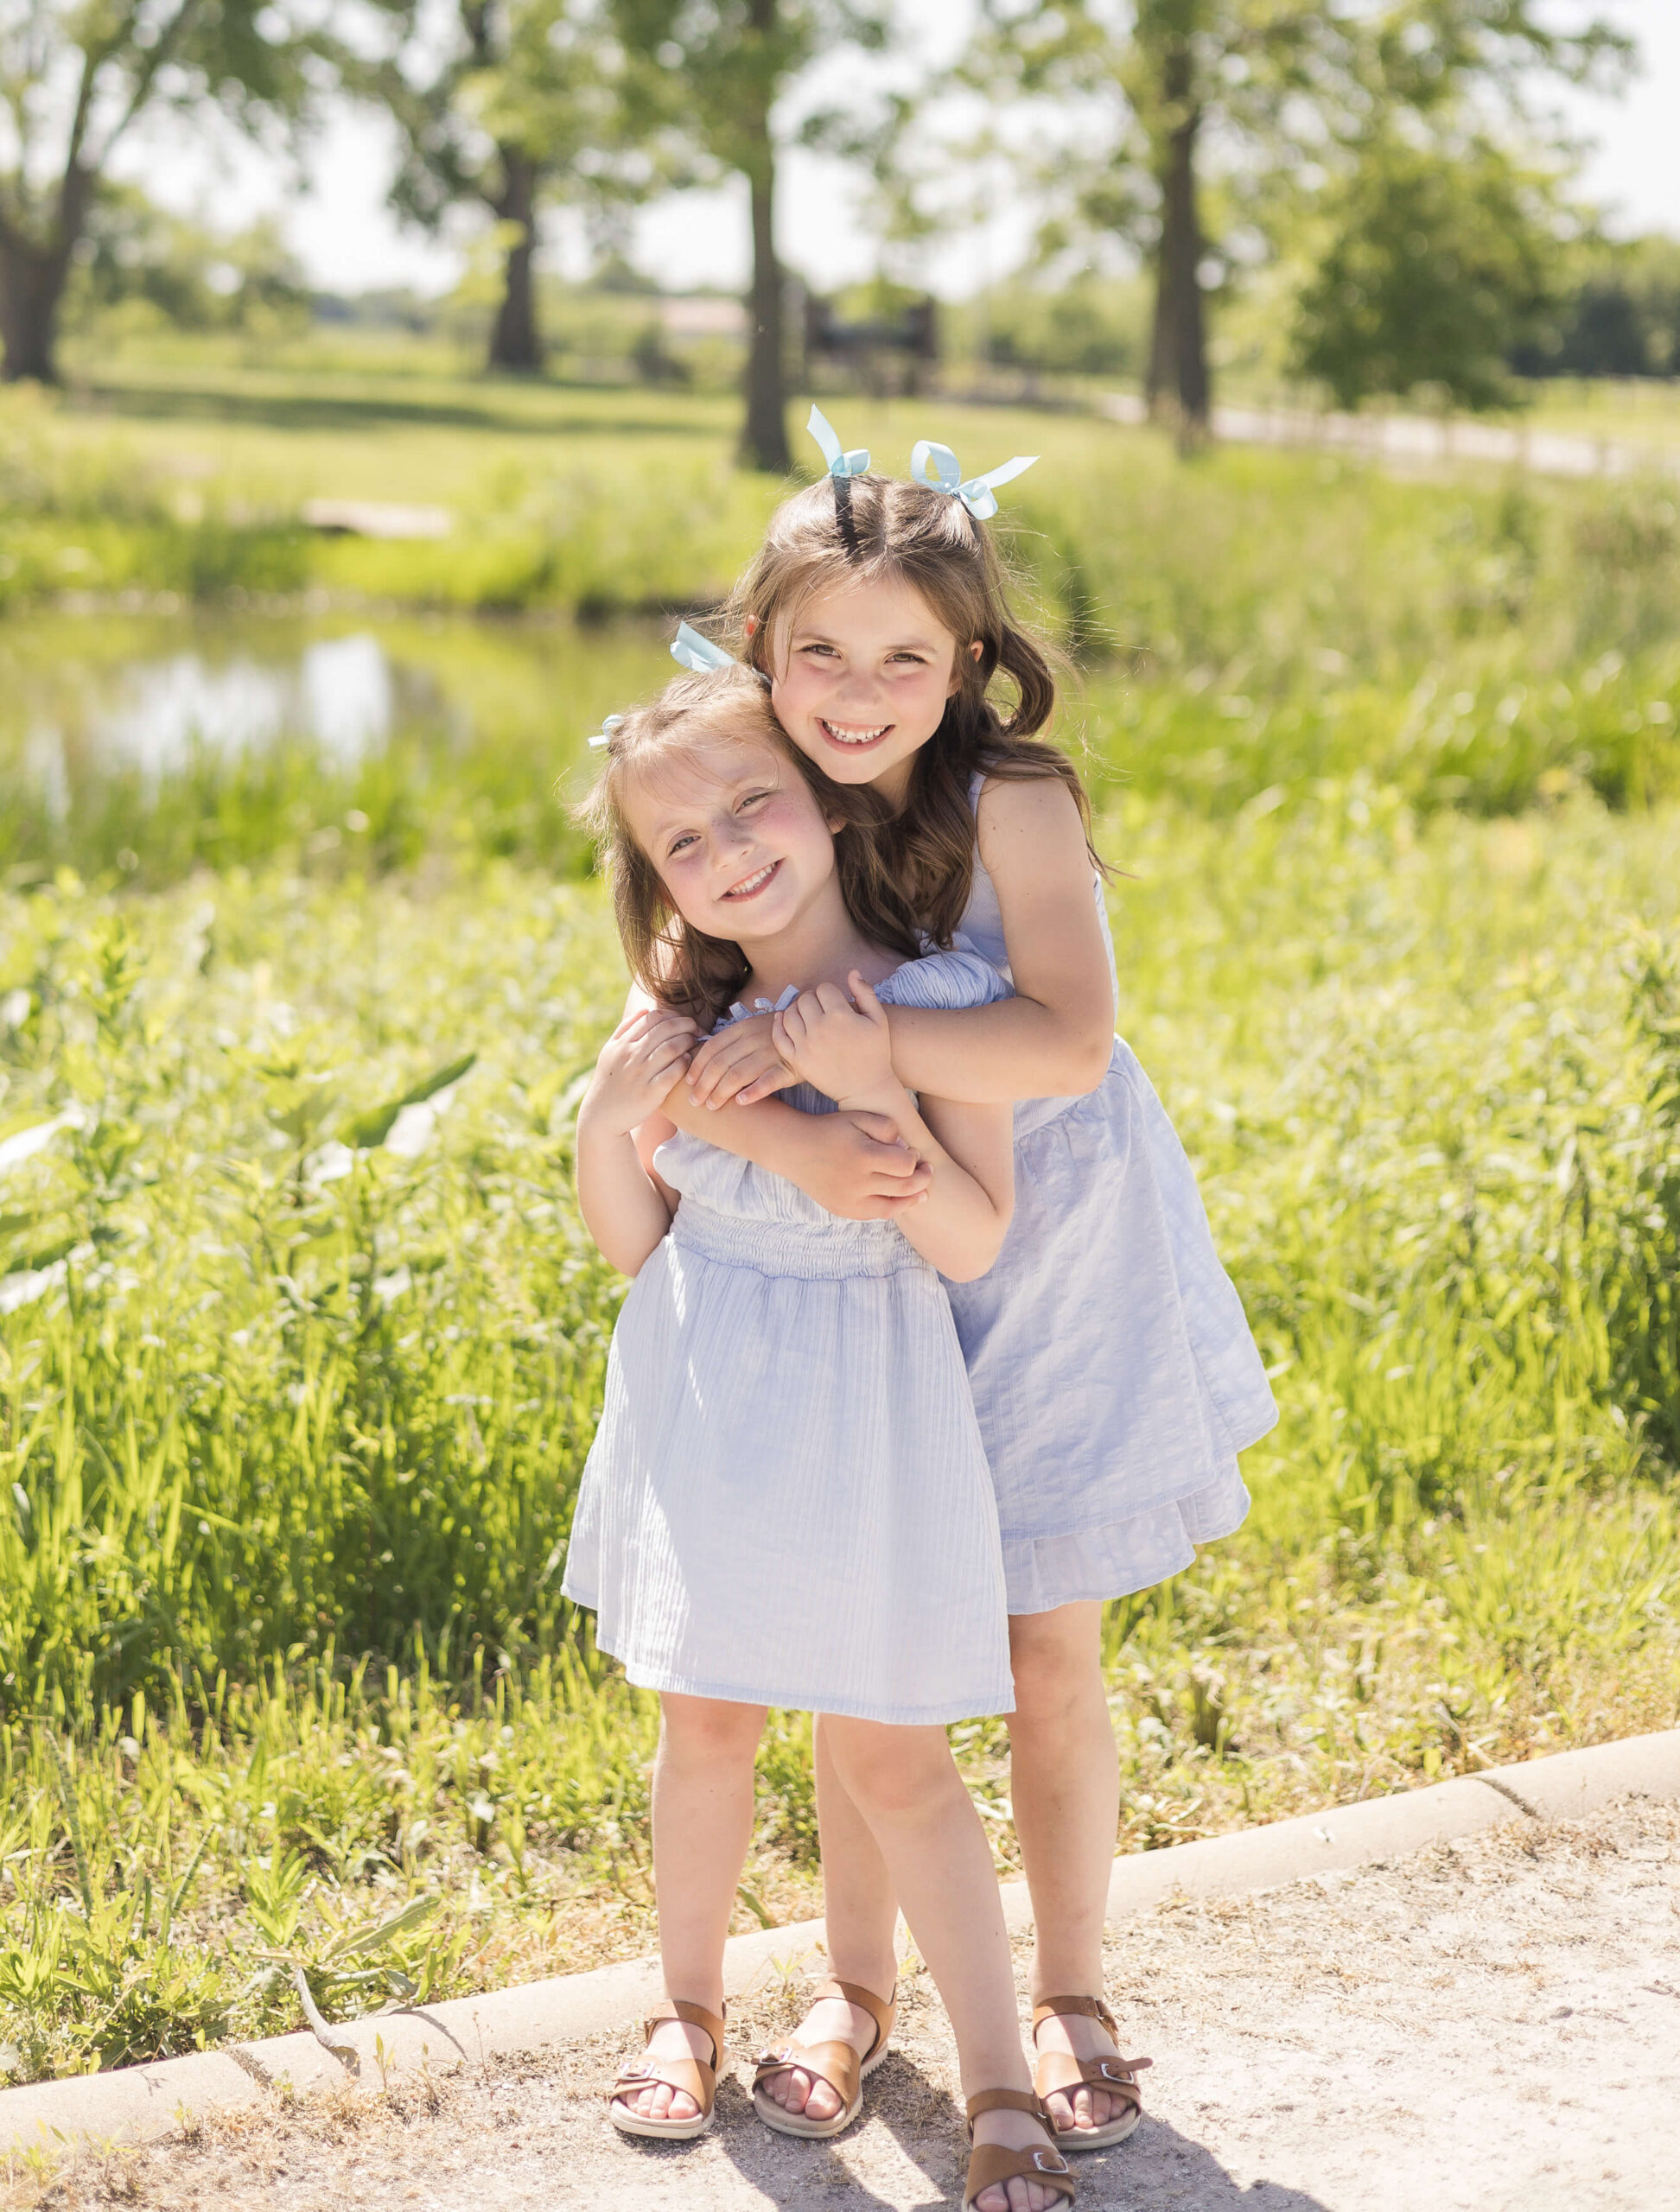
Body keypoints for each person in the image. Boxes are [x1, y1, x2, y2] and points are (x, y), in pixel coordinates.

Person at [655, 411, 1278, 2157]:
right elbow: (681, 1001)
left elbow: (1068, 1038)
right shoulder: (751, 798)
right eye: (819, 650)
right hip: (870, 1248)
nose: (857, 688)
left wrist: (854, 1027)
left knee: (1040, 1640)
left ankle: (1068, 1984)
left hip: (1055, 1243)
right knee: (876, 1642)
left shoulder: (1011, 798)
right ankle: (855, 1986)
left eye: (904, 656)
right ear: (760, 648)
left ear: (970, 662)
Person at [564, 662, 1075, 2212]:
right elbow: (630, 1241)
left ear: (828, 796)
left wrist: (877, 1094)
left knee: (889, 1752)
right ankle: (687, 2006)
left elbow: (975, 1240)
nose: (726, 852)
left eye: (750, 803)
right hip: (711, 1395)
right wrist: (606, 1118)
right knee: (703, 1725)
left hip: (867, 1406)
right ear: (656, 882)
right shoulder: (674, 1016)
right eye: (683, 845)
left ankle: (998, 2083)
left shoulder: (933, 1000)